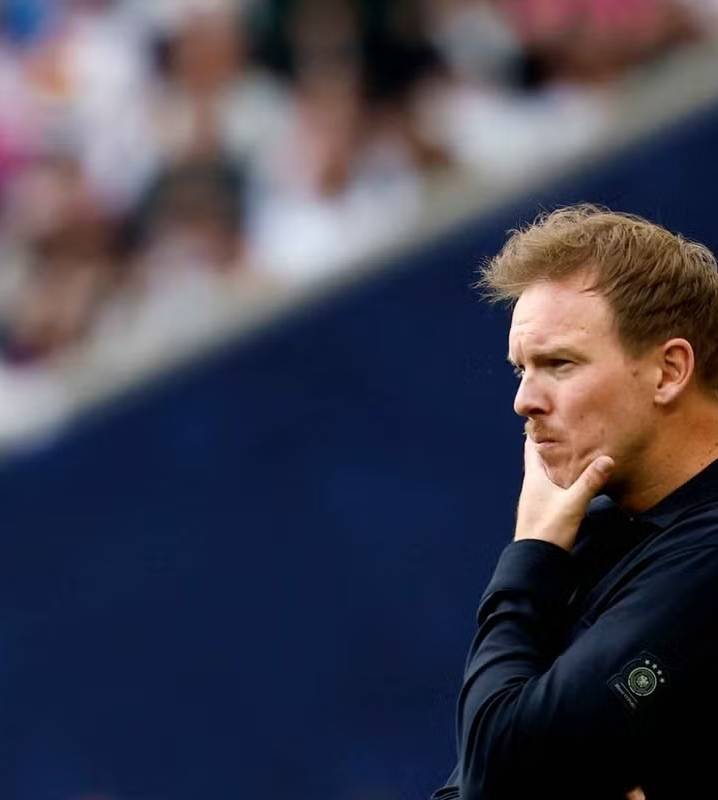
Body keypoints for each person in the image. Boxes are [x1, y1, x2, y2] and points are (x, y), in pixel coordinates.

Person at [432, 205, 718, 800]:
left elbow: (499, 775)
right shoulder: (599, 528)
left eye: (558, 364)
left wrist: (531, 552)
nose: (524, 401)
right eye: (520, 369)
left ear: (669, 371)